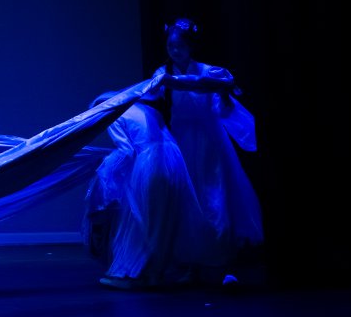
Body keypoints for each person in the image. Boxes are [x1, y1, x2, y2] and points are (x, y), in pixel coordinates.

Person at [144, 18, 265, 280]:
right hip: (183, 140)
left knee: (214, 195)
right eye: (171, 46)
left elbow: (212, 93)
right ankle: (190, 261)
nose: (175, 51)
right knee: (186, 198)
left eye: (180, 46)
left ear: (191, 47)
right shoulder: (163, 73)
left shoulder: (209, 73)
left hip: (209, 142)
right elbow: (147, 94)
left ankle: (221, 258)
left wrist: (220, 93)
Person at [83, 89, 217, 289]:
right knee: (165, 217)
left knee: (142, 219)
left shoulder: (114, 114)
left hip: (150, 161)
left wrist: (106, 170)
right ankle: (157, 272)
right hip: (173, 158)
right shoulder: (144, 108)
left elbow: (126, 151)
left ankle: (134, 274)